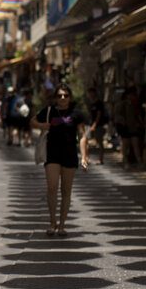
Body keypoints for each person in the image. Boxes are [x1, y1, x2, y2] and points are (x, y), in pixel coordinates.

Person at [31, 84, 89, 237]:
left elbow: (82, 135)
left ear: (70, 97)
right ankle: (52, 222)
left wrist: (84, 156)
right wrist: (42, 125)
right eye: (60, 95)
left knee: (66, 191)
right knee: (52, 187)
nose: (63, 98)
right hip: (52, 154)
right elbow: (32, 121)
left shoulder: (76, 114)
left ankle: (62, 225)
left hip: (69, 154)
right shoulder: (50, 110)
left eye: (66, 95)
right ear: (56, 98)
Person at [113, 86, 145, 168]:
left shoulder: (135, 104)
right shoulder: (123, 104)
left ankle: (138, 161)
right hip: (125, 128)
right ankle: (126, 161)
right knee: (126, 145)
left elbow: (137, 116)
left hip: (133, 128)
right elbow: (118, 115)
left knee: (135, 145)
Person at [86, 87, 109, 164]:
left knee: (100, 142)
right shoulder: (91, 103)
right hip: (91, 125)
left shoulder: (99, 103)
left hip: (99, 125)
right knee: (87, 141)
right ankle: (87, 158)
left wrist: (94, 125)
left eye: (90, 93)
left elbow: (99, 115)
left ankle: (101, 159)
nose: (89, 95)